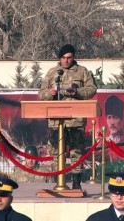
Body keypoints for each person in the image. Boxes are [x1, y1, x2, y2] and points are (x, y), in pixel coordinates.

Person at [38, 44, 97, 189]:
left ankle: (76, 184)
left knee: (77, 151)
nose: (66, 61)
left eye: (69, 58)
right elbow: (41, 94)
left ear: (73, 57)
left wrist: (76, 92)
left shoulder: (82, 72)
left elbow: (92, 89)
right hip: (56, 120)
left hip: (75, 120)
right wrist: (50, 93)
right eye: (64, 58)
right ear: (60, 58)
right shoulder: (52, 73)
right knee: (57, 151)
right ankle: (59, 182)